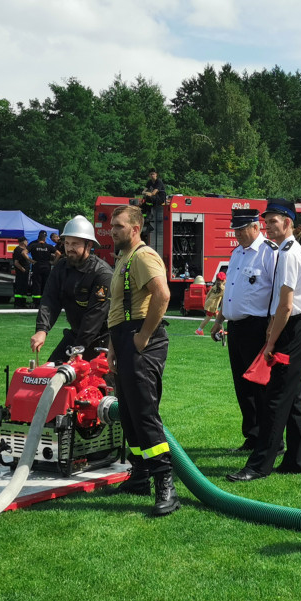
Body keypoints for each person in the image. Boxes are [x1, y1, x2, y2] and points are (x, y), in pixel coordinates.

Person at [227, 198, 301, 481]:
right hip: (294, 327)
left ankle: (259, 465)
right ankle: (295, 460)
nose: (268, 226)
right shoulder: (289, 250)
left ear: (288, 222)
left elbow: (286, 305)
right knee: (295, 398)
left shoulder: (287, 253)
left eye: (273, 221)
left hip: (291, 328)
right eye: (266, 221)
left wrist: (271, 340)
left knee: (276, 398)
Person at [105, 204, 177, 516]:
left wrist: (143, 337)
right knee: (130, 414)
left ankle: (165, 484)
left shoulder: (143, 255)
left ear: (135, 229)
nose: (113, 230)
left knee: (145, 413)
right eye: (112, 225)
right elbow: (117, 307)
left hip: (141, 339)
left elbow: (162, 295)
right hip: (124, 338)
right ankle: (140, 474)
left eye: (119, 226)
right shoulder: (123, 257)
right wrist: (112, 345)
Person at [211, 209, 278, 451]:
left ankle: (270, 438)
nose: (237, 234)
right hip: (235, 326)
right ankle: (252, 435)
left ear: (256, 227)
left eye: (241, 229)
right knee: (243, 387)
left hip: (257, 326)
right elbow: (231, 291)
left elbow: (277, 293)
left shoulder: (269, 253)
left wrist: (272, 327)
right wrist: (219, 319)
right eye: (235, 229)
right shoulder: (237, 253)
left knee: (261, 386)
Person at [31, 215, 113, 364]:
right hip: (75, 335)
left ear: (89, 245)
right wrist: (42, 330)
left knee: (99, 384)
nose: (69, 248)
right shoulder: (60, 268)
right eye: (67, 243)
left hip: (102, 339)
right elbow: (50, 301)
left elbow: (94, 316)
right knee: (50, 376)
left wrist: (78, 348)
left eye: (75, 244)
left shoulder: (102, 274)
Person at [27, 230, 55, 307]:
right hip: (47, 267)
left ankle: (36, 302)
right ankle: (45, 302)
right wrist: (53, 262)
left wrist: (31, 260)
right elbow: (58, 253)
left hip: (37, 267)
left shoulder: (33, 245)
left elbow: (23, 252)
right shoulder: (49, 246)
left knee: (37, 284)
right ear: (45, 238)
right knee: (45, 284)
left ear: (38, 237)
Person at [195, 270, 226, 336]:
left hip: (209, 304)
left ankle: (221, 330)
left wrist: (206, 302)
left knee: (218, 318)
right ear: (223, 280)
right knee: (208, 318)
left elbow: (208, 295)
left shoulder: (214, 287)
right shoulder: (223, 289)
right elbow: (225, 298)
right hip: (213, 306)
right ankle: (199, 330)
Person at [12, 236, 31, 309]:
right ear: (23, 241)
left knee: (24, 288)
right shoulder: (18, 250)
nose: (27, 243)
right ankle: (18, 303)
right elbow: (16, 262)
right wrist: (22, 269)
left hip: (25, 273)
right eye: (26, 241)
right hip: (21, 273)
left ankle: (23, 303)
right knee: (20, 288)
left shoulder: (22, 250)